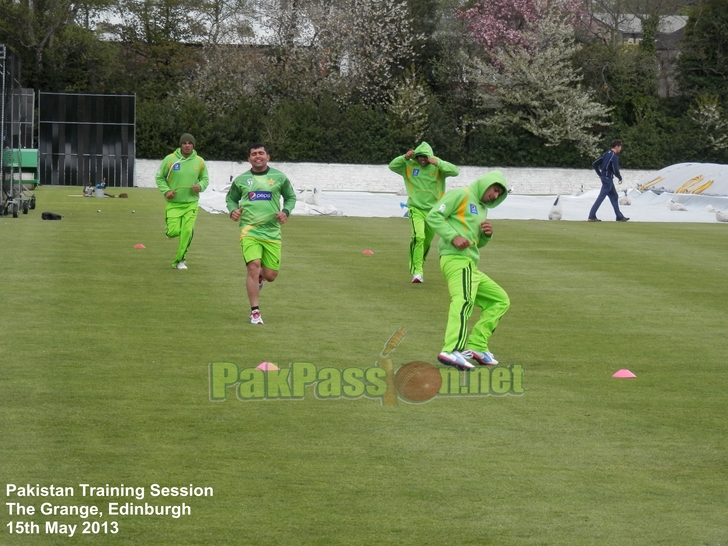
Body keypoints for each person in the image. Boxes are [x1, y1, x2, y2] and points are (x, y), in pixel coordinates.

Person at [426, 171, 510, 370]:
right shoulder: (460, 195)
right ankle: (451, 349)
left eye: (499, 193)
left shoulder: (482, 209)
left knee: (500, 300)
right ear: (486, 184)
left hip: (470, 263)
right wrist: (453, 237)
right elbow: (434, 215)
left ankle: (477, 346)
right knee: (463, 301)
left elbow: (474, 244)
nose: (495, 196)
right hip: (455, 260)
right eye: (494, 190)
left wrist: (486, 236)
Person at [226, 143, 297, 325]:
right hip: (249, 230)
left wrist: (285, 212)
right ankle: (255, 312)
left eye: (261, 153)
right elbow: (231, 198)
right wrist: (233, 210)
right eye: (253, 154)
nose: (258, 156)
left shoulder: (279, 177)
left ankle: (260, 278)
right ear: (249, 159)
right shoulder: (241, 180)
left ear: (268, 157)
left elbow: (290, 197)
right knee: (253, 265)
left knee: (271, 275)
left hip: (272, 232)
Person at [388, 142, 459, 283]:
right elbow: (392, 166)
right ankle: (417, 272)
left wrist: (438, 162)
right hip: (416, 209)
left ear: (430, 157)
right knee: (418, 237)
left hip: (434, 213)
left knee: (426, 242)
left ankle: (418, 265)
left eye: (425, 157)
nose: (422, 159)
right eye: (420, 156)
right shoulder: (409, 166)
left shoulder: (438, 167)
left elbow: (455, 171)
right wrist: (405, 157)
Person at [155, 133, 209, 269]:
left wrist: (200, 186)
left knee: (187, 231)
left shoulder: (199, 161)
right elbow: (160, 177)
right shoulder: (171, 159)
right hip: (174, 203)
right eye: (184, 143)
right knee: (173, 232)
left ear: (193, 145)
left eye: (190, 143)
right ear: (181, 145)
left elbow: (205, 179)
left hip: (191, 203)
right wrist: (166, 191)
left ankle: (180, 260)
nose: (187, 145)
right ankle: (169, 232)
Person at [588, 139, 629, 222]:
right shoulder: (614, 156)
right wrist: (619, 177)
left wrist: (600, 175)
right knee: (601, 197)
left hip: (605, 178)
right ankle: (591, 216)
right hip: (608, 180)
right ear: (616, 146)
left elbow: (595, 164)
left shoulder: (606, 154)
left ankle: (619, 216)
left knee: (614, 196)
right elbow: (615, 169)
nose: (620, 149)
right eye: (620, 147)